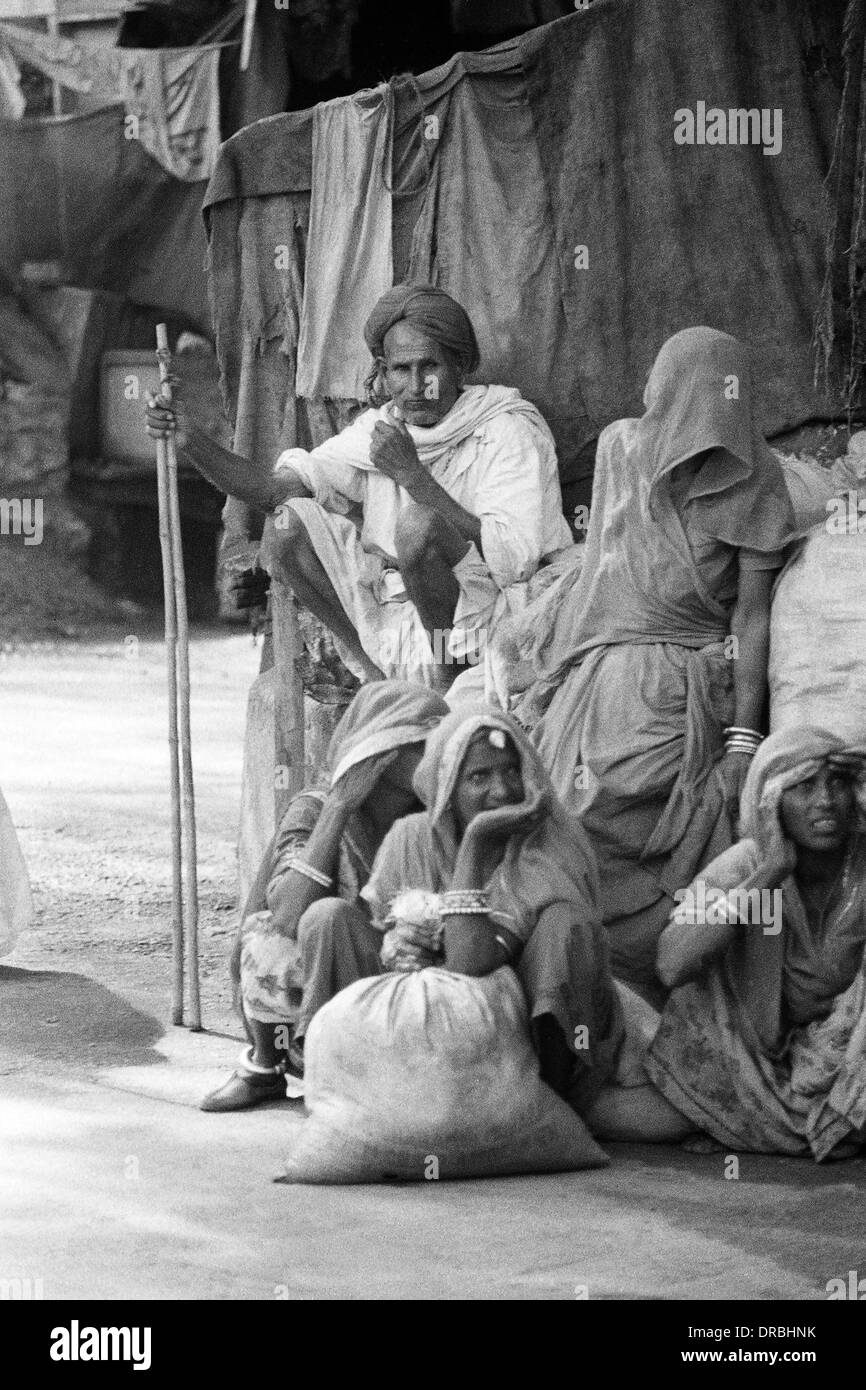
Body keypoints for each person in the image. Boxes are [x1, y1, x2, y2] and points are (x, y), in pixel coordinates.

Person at [520, 327, 797, 998]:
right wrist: (553, 666)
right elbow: (601, 570)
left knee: (654, 832)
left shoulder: (757, 485)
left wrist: (740, 743)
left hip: (685, 683)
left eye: (722, 400)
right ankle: (560, 973)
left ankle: (637, 984)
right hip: (600, 672)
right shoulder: (621, 449)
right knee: (563, 816)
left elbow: (751, 619)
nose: (706, 422)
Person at [145, 282, 571, 688]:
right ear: (384, 374)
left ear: (460, 366)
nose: (417, 385)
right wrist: (192, 441)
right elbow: (275, 491)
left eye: (431, 366)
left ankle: (449, 676)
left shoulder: (506, 429)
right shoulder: (380, 430)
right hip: (404, 614)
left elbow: (513, 561)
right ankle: (375, 677)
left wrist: (413, 477)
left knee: (417, 526)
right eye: (401, 370)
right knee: (286, 525)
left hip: (490, 612)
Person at [362, 706, 625, 1114]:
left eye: (510, 770)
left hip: (519, 1032)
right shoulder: (412, 837)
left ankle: (549, 1106)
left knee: (567, 925)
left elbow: (471, 961)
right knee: (330, 920)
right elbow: (387, 940)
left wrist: (476, 840)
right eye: (478, 777)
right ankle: (363, 1091)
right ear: (446, 787)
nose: (502, 792)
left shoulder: (550, 843)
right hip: (422, 1029)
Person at [201, 680, 449, 1112]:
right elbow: (285, 914)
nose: (436, 756)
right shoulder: (315, 807)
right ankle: (268, 1067)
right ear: (379, 753)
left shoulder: (438, 816)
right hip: (320, 978)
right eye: (420, 743)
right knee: (316, 919)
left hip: (405, 974)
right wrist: (339, 808)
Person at [635, 727, 866, 1160]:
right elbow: (672, 963)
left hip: (848, 1064)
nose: (825, 801)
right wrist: (768, 876)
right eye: (802, 785)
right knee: (657, 1119)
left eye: (837, 782)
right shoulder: (748, 862)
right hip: (755, 1062)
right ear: (770, 800)